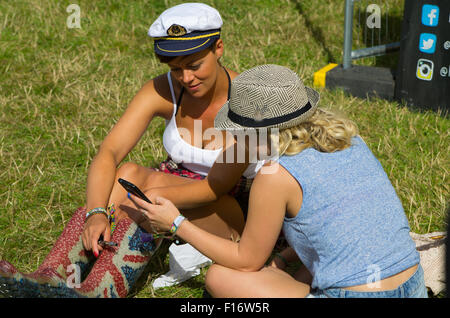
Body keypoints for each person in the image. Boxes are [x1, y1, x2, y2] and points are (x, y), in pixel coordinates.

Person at [0, 3, 259, 298]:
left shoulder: (248, 100)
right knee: (126, 172)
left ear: (219, 48)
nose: (186, 78)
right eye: (176, 69)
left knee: (143, 187)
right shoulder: (165, 90)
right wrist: (96, 212)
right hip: (173, 195)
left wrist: (147, 200)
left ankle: (97, 291)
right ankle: (54, 275)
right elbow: (109, 151)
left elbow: (217, 187)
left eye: (195, 65)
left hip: (234, 216)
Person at [132, 64, 428, 298]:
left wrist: (175, 223)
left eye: (237, 130)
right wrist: (285, 259)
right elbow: (340, 223)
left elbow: (245, 260)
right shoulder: (351, 141)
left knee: (219, 277)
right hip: (412, 283)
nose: (232, 137)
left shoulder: (274, 176)